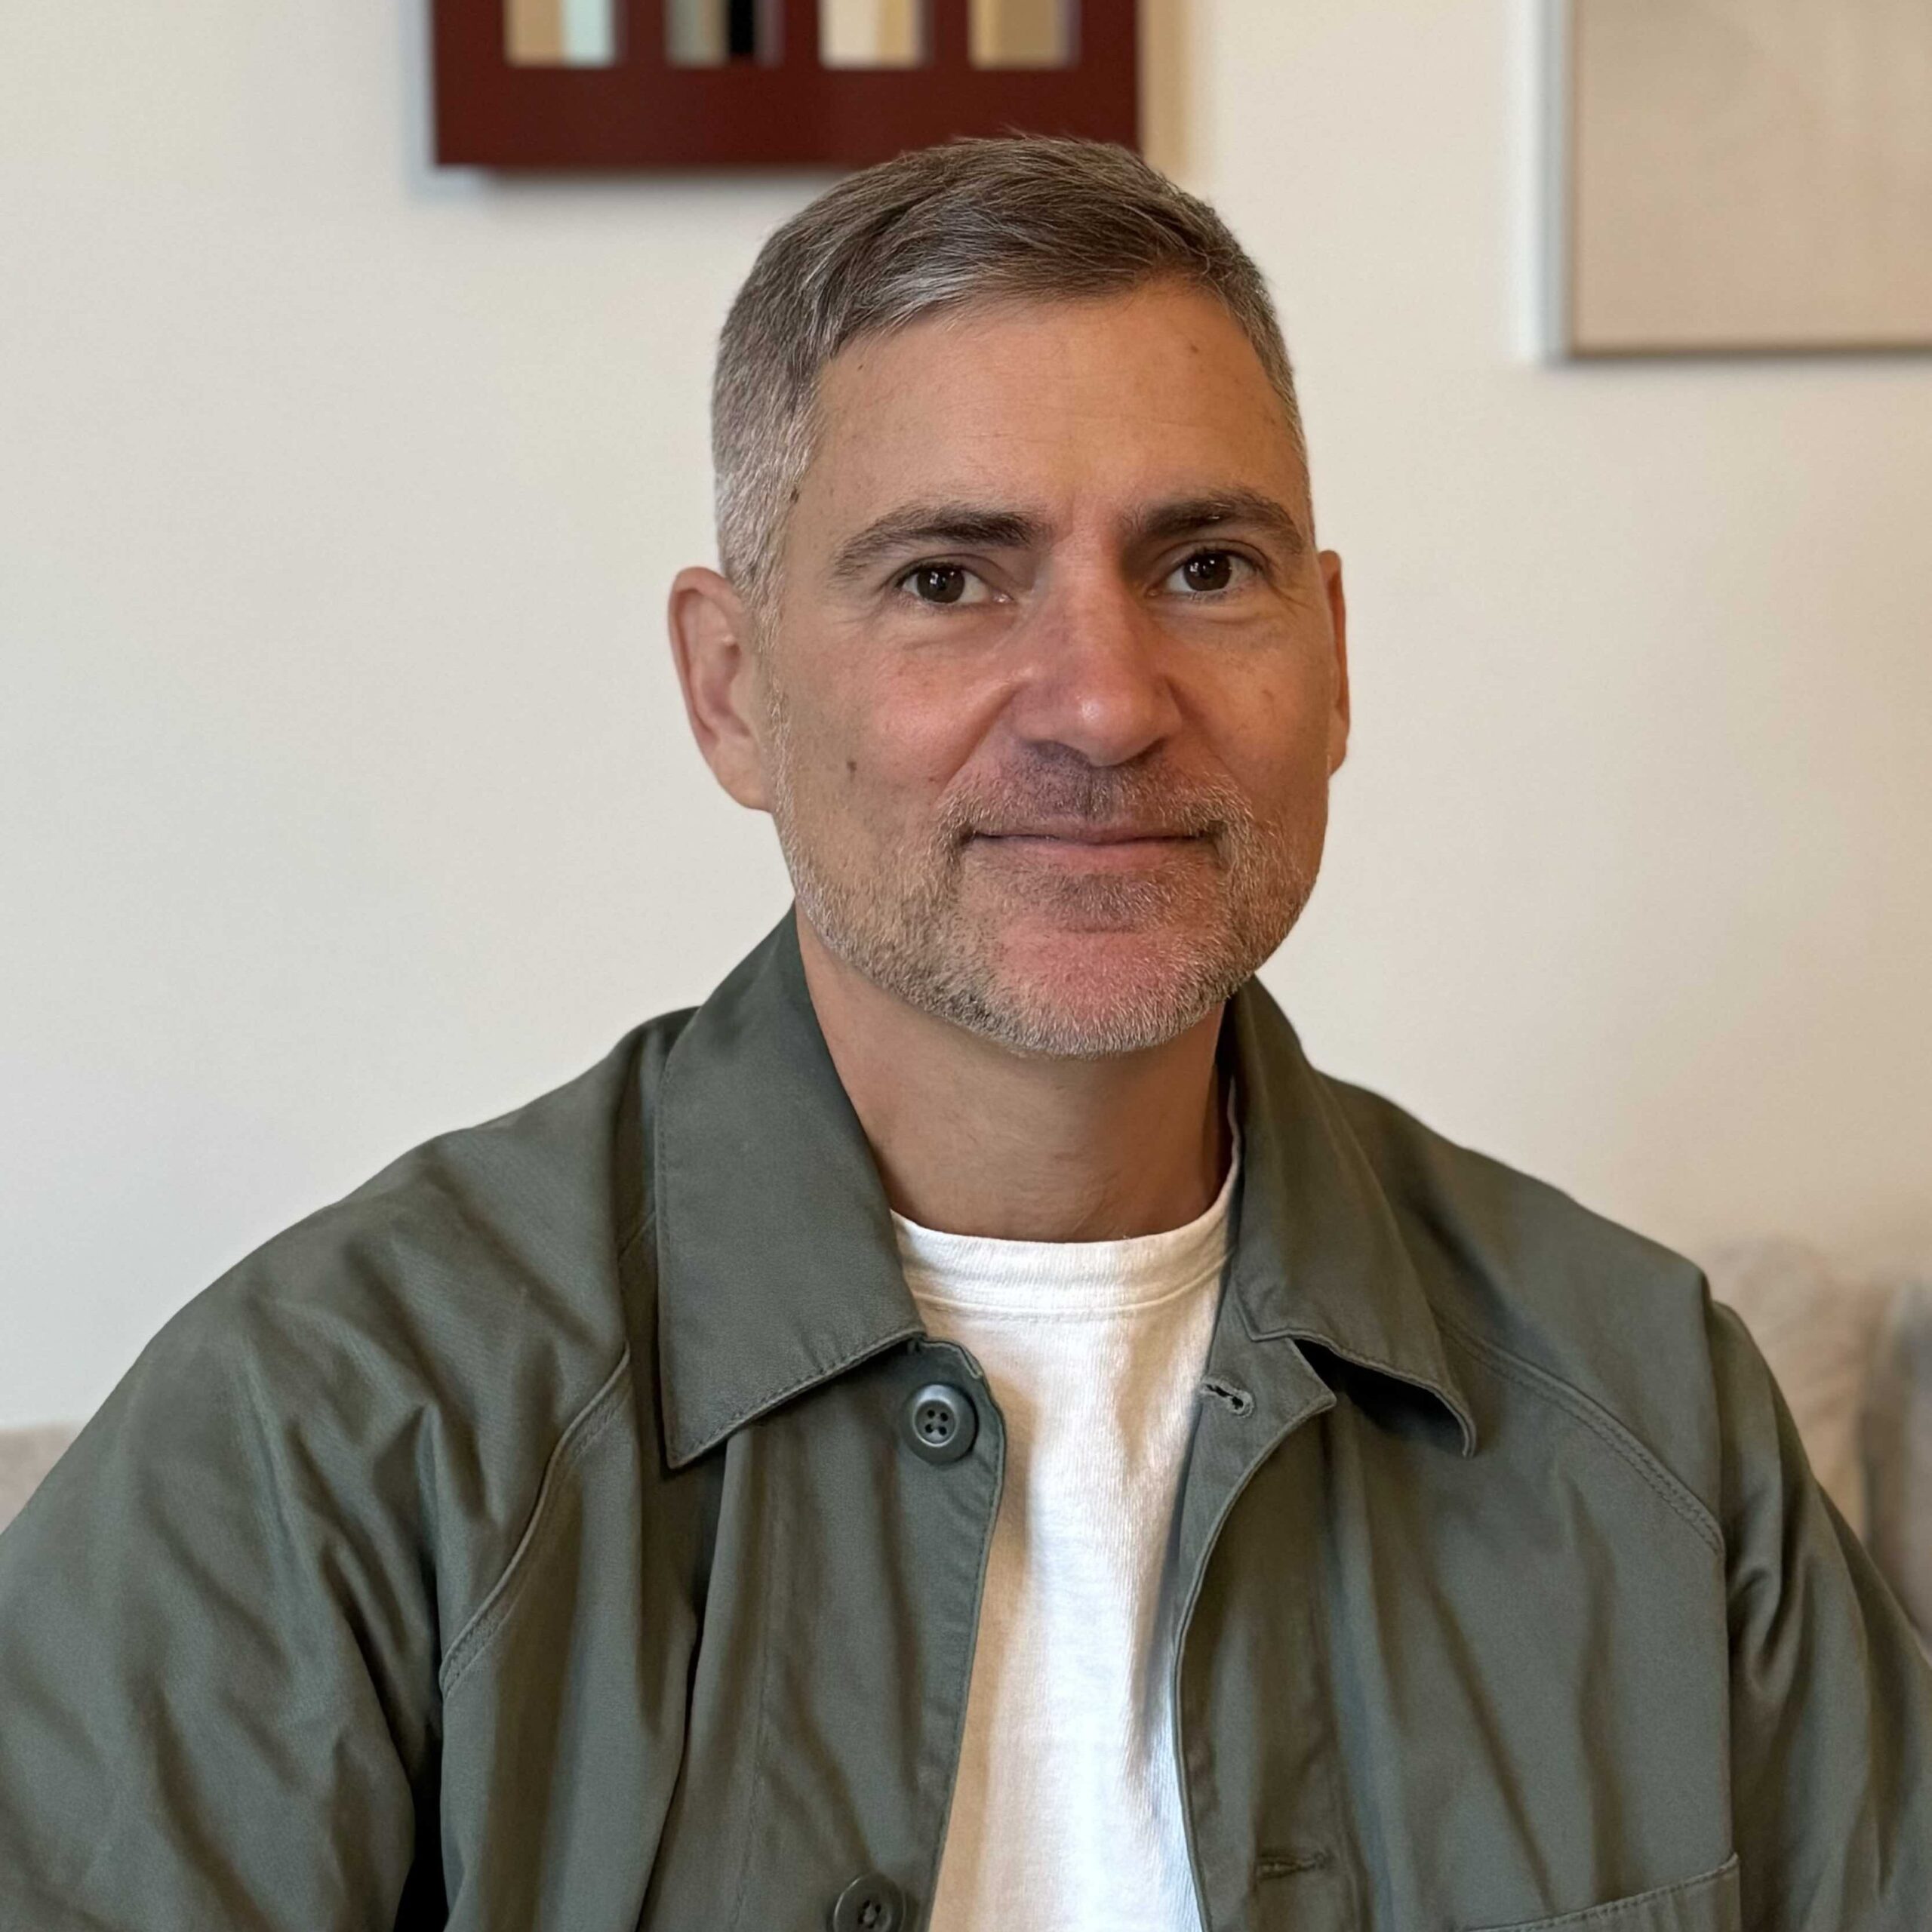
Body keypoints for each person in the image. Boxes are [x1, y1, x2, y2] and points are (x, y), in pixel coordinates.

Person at [0, 135, 1926, 1932]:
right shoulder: (329, 1428)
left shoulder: (1648, 1412)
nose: (1100, 702)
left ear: (1329, 661)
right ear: (731, 687)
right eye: (946, 577)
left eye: (1201, 569)